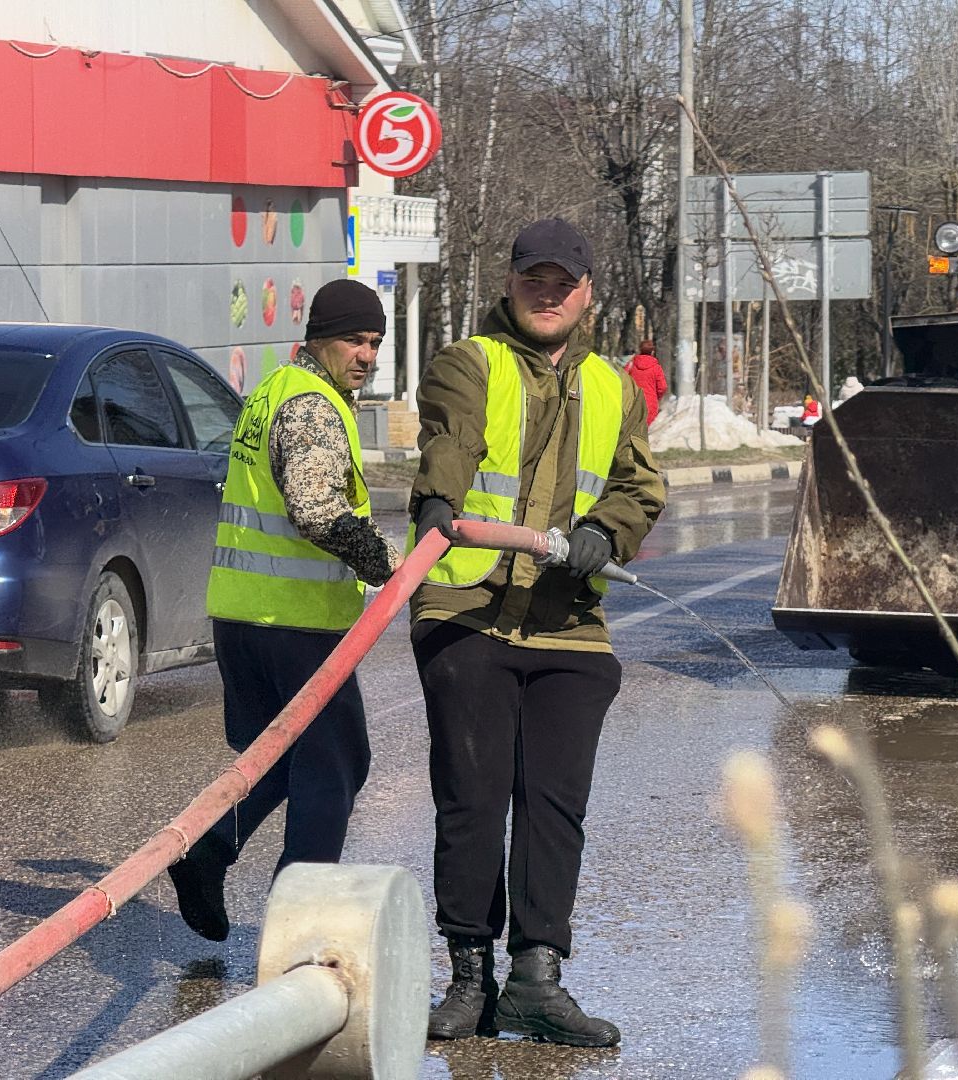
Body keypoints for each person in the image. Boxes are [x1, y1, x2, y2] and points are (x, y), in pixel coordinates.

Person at [409, 218, 665, 1047]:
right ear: (511, 283)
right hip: (470, 608)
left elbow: (637, 485)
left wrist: (609, 530)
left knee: (555, 807)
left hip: (569, 623)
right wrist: (439, 507)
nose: (546, 294)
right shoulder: (468, 363)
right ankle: (468, 977)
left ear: (588, 292)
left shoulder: (615, 388)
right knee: (474, 798)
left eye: (563, 282)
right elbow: (449, 440)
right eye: (533, 280)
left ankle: (536, 979)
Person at [167, 278, 402, 942]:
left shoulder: (274, 390)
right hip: (292, 624)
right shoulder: (311, 406)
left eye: (375, 343)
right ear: (321, 339)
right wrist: (390, 564)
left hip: (247, 617)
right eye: (354, 340)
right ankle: (297, 928)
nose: (366, 355)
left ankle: (209, 850)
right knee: (335, 766)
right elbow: (318, 511)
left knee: (281, 758)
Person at [624, 339, 668, 428]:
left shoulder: (631, 364)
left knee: (633, 431)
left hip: (633, 403)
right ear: (652, 352)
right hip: (650, 404)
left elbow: (623, 381)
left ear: (640, 350)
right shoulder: (656, 367)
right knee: (647, 432)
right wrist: (656, 397)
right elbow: (662, 387)